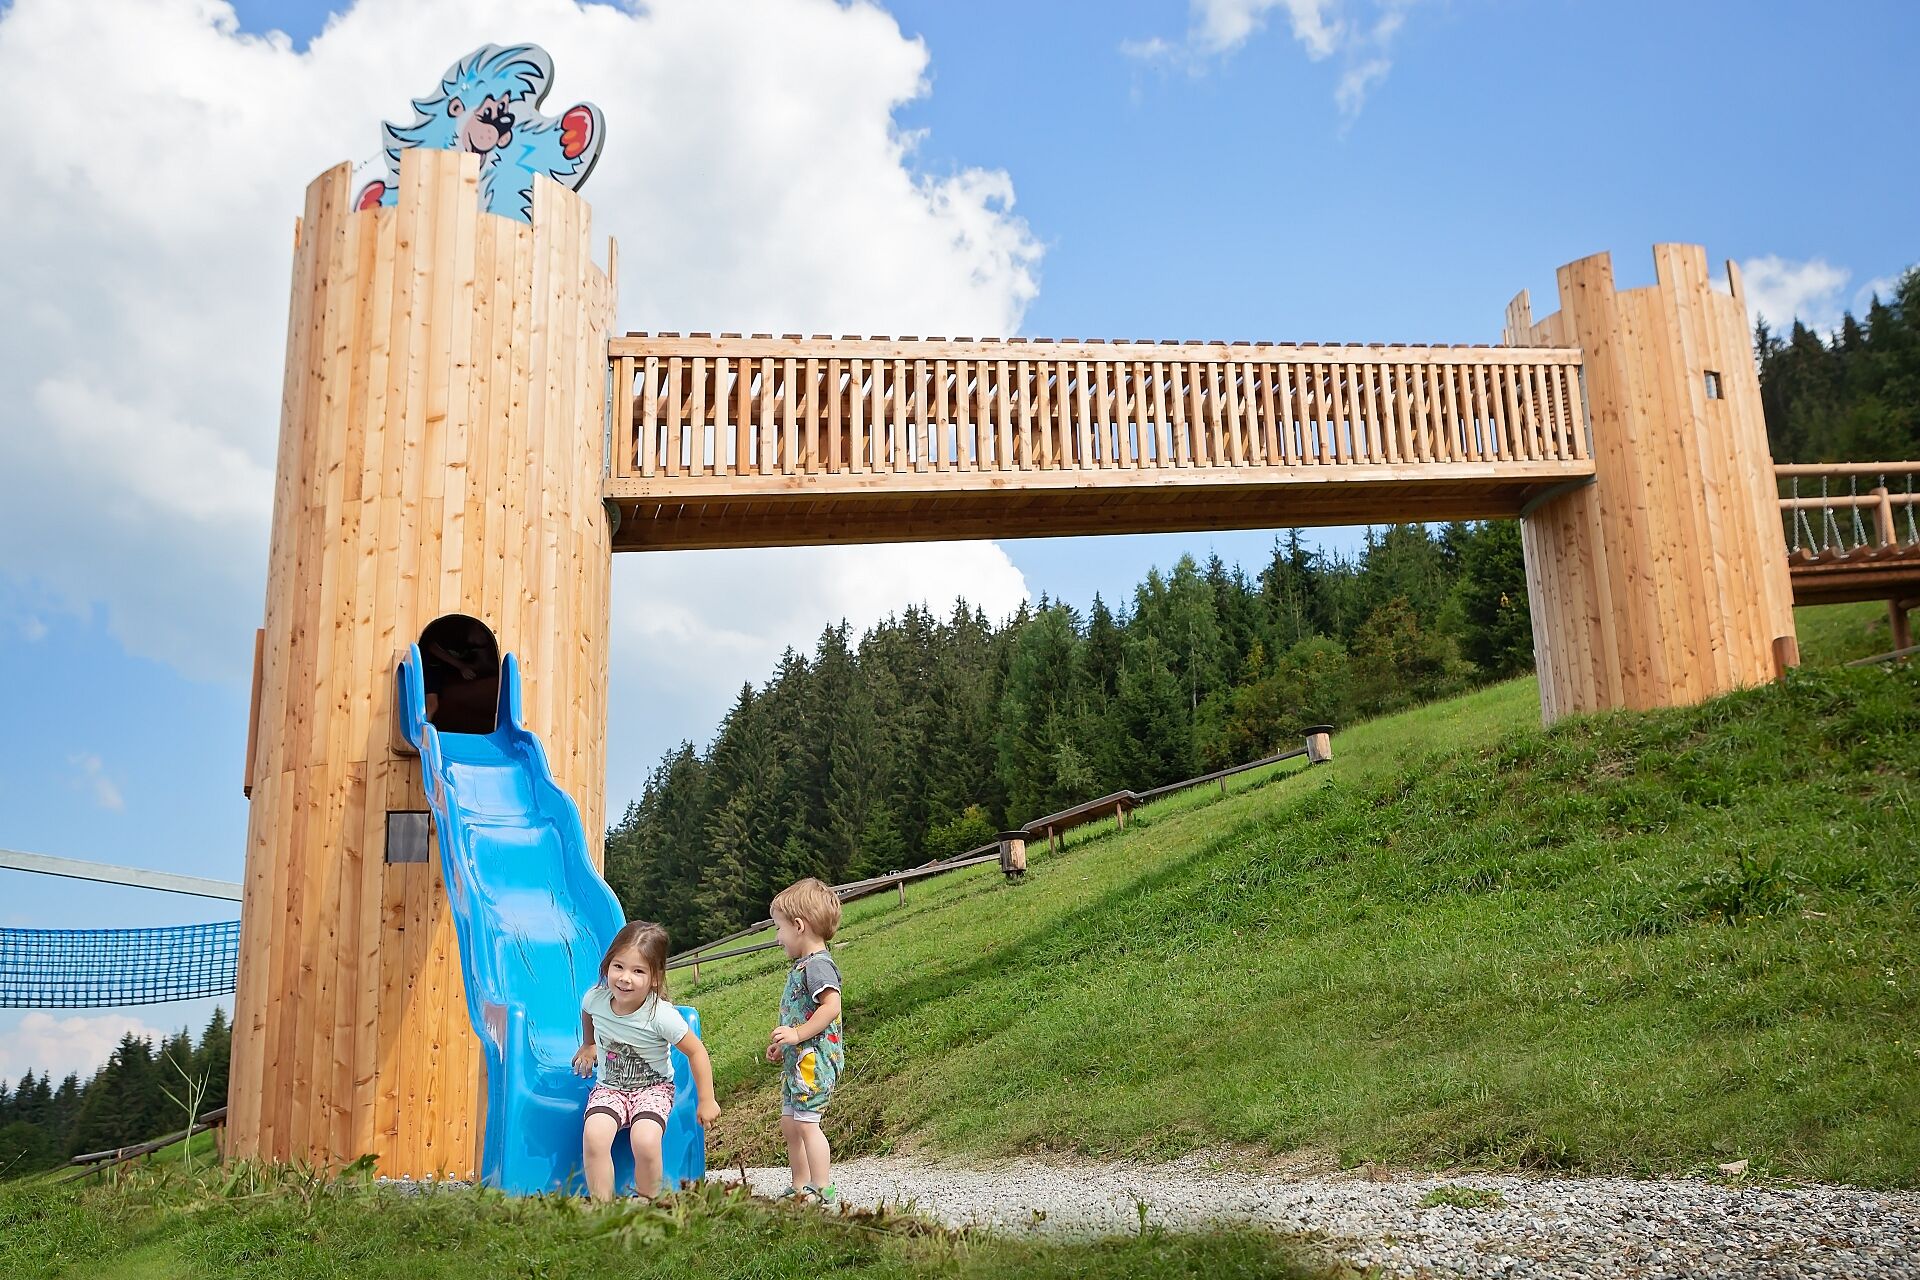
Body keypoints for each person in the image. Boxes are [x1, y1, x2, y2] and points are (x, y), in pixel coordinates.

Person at [572, 921, 720, 1202]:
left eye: (637, 971)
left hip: (653, 1090)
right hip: (609, 1088)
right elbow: (587, 1013)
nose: (625, 978)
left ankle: (647, 1203)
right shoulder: (596, 999)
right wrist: (589, 1043)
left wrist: (707, 1099)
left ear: (654, 977)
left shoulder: (660, 1015)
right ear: (607, 966)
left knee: (645, 1139)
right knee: (594, 1135)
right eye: (618, 967)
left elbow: (696, 1051)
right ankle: (603, 1207)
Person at [766, 877, 845, 1205]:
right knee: (790, 1122)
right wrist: (785, 1042)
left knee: (807, 1123)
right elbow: (801, 1013)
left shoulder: (818, 965)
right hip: (798, 1058)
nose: (777, 937)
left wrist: (797, 1035)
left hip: (814, 1059)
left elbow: (832, 1006)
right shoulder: (804, 965)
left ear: (799, 926)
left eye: (779, 928)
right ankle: (799, 1184)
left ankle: (821, 1185)